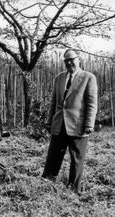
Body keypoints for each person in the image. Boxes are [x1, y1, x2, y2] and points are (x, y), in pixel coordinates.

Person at [42, 48, 98, 193]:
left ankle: (74, 190)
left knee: (76, 159)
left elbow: (92, 103)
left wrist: (89, 124)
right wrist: (49, 121)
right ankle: (46, 185)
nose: (69, 63)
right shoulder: (59, 78)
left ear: (78, 59)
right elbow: (54, 102)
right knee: (53, 157)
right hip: (59, 124)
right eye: (66, 61)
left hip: (78, 125)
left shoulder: (88, 77)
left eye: (71, 60)